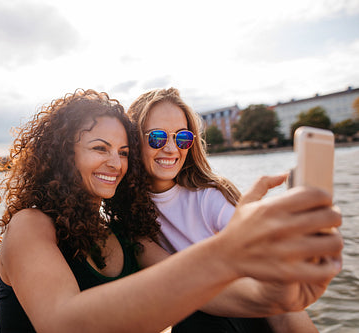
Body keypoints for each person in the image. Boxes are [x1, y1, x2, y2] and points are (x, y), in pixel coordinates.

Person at [0, 89, 342, 333]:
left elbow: (200, 290)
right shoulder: (30, 225)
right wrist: (227, 254)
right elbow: (63, 324)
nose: (115, 162)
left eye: (124, 152)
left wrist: (274, 297)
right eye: (100, 148)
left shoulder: (119, 232)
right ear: (63, 154)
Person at [127, 87, 336, 332]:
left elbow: (273, 286)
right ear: (133, 141)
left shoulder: (208, 197)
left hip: (252, 312)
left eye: (182, 137)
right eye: (157, 137)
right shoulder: (131, 217)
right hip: (204, 309)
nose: (172, 149)